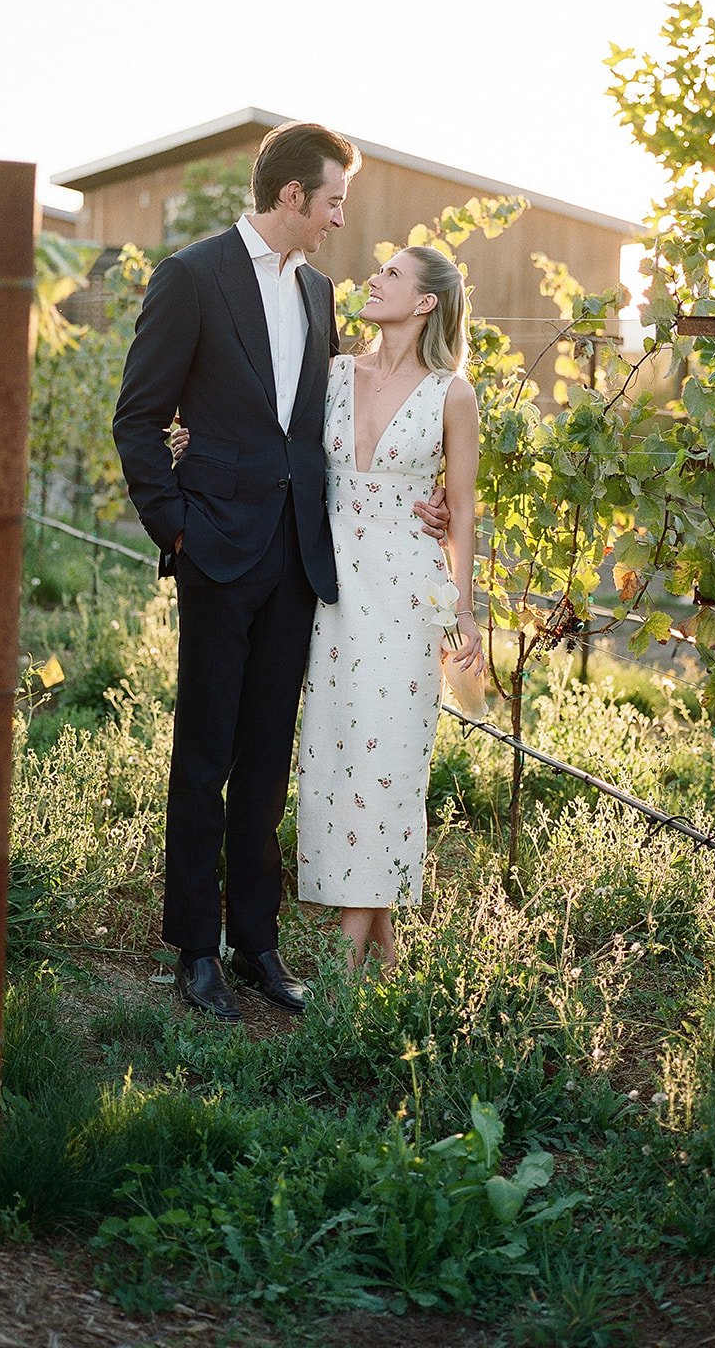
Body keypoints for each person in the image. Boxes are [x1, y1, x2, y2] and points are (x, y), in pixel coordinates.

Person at [112, 122, 445, 1023]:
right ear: (293, 196)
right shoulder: (190, 276)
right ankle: (196, 950)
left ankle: (257, 944)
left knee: (268, 756)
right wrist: (175, 529)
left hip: (300, 556)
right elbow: (139, 418)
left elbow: (326, 425)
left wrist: (429, 497)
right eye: (334, 200)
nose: (342, 219)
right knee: (205, 751)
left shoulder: (322, 291)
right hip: (215, 550)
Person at [296, 245, 483, 974]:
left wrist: (463, 611)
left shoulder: (452, 393)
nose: (374, 279)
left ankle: (343, 973)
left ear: (426, 301)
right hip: (331, 588)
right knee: (339, 755)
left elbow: (461, 509)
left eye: (393, 275)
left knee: (392, 764)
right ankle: (391, 969)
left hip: (409, 593)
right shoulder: (336, 372)